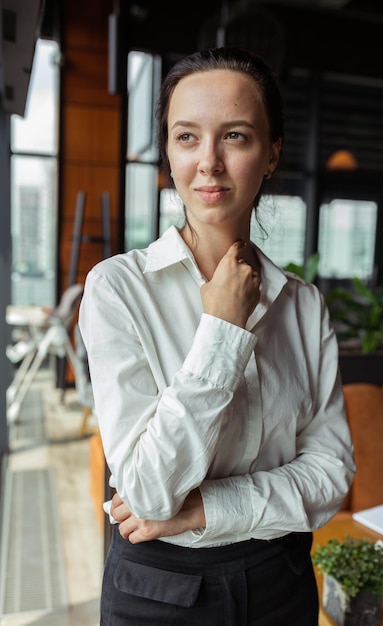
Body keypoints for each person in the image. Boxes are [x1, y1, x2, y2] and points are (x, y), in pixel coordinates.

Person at [78, 46, 355, 626]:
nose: (209, 161)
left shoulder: (303, 306)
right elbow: (150, 493)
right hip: (159, 591)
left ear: (271, 153)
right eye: (186, 137)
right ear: (169, 154)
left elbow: (331, 476)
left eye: (234, 136)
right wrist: (222, 331)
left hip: (283, 579)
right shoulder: (117, 290)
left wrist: (202, 508)